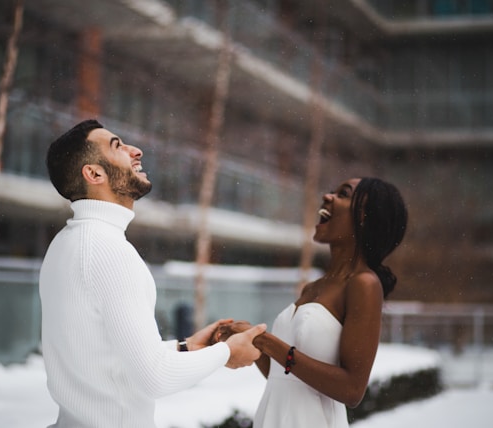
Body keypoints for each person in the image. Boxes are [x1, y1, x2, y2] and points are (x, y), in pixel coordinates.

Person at [39, 119, 266, 428]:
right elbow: (154, 378)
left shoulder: (66, 244)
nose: (136, 150)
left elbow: (104, 356)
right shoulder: (108, 251)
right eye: (117, 146)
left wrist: (185, 348)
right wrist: (227, 353)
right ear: (94, 173)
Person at [212, 177, 408, 427]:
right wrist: (251, 339)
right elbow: (284, 377)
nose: (327, 197)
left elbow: (352, 390)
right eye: (332, 191)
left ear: (365, 217)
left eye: (344, 194)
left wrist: (266, 341)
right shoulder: (312, 287)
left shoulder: (364, 284)